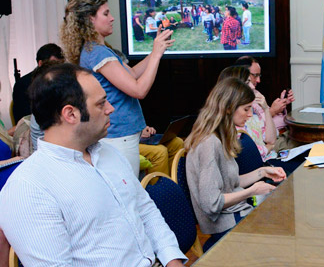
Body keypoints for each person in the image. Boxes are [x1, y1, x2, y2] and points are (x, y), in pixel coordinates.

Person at [0, 63, 186, 267]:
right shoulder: (29, 187)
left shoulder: (108, 153)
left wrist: (172, 259)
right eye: (101, 104)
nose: (111, 109)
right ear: (70, 114)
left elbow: (146, 211)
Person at [60, 0, 175, 177]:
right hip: (118, 135)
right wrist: (155, 54)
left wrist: (156, 50)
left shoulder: (99, 50)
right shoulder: (98, 53)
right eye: (106, 13)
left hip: (120, 134)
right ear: (90, 20)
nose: (112, 18)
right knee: (127, 190)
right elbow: (139, 89)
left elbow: (132, 74)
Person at [184, 77, 286, 251]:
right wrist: (253, 190)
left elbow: (228, 183)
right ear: (229, 108)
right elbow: (212, 203)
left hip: (235, 213)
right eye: (246, 109)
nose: (249, 114)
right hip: (226, 223)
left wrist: (263, 172)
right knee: (281, 235)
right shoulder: (209, 143)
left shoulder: (220, 135)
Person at [12, 43, 64, 121]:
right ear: (40, 63)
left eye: (60, 65)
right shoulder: (22, 85)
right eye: (53, 64)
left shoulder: (64, 80)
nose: (58, 69)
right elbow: (23, 118)